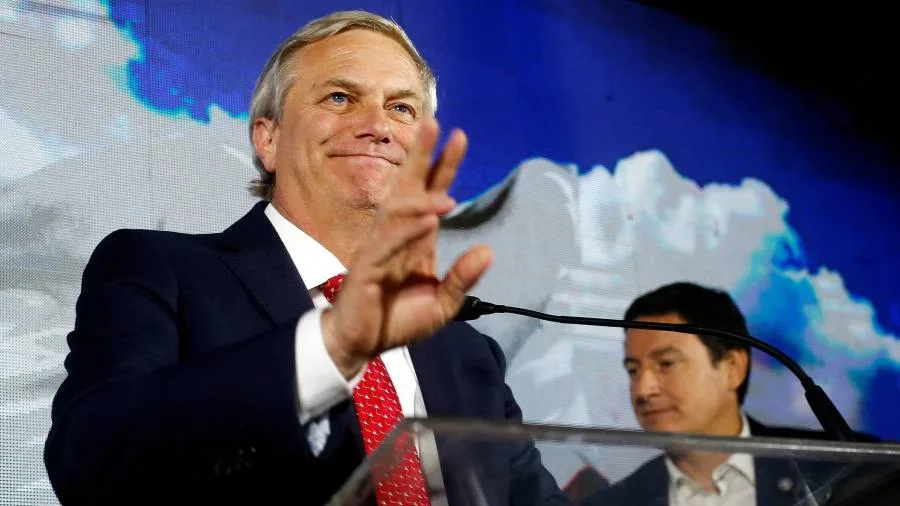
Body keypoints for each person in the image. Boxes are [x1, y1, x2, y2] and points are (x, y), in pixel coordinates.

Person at [43, 10, 569, 506]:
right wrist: (332, 345)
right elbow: (90, 462)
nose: (378, 126)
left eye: (401, 108)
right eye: (340, 97)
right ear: (267, 139)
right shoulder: (161, 270)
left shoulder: (468, 353)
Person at [586, 282, 879, 506]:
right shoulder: (613, 503)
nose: (643, 389)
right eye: (633, 370)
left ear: (732, 368)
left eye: (666, 364)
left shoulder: (850, 469)